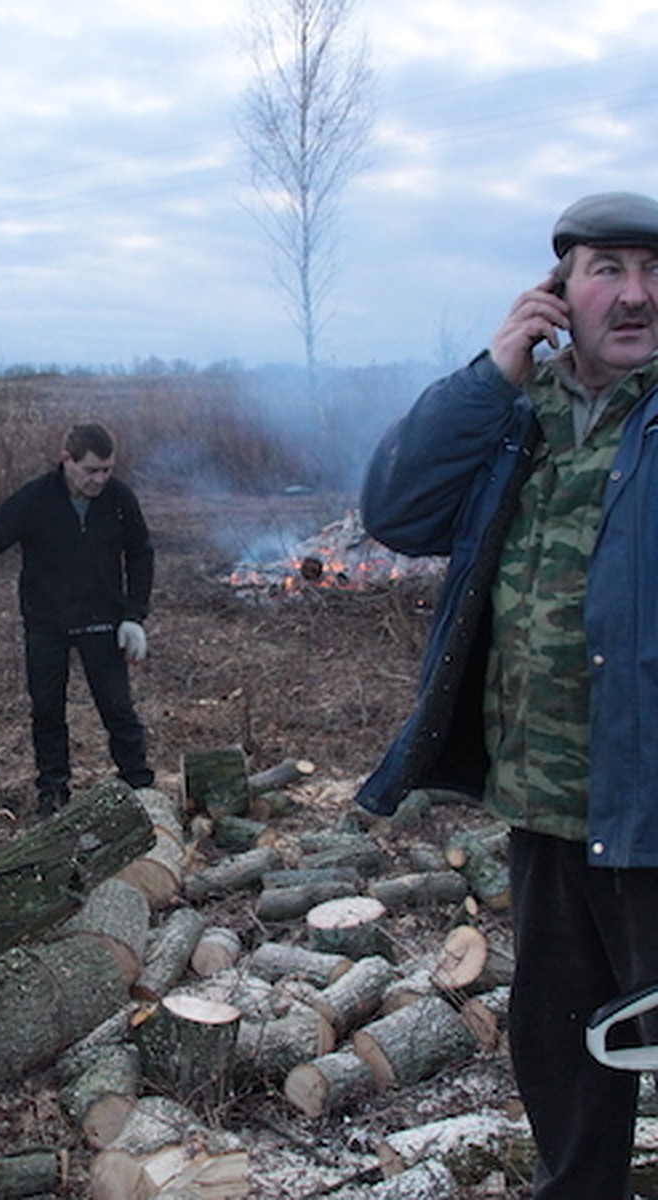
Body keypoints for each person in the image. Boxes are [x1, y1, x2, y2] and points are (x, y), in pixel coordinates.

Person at [356, 191, 658, 1198]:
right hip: (544, 805)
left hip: (652, 804)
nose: (636, 294)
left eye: (654, 272)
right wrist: (492, 373)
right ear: (557, 295)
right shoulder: (515, 421)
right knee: (561, 1048)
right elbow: (395, 509)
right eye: (608, 269)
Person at [0, 421, 155, 816]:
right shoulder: (34, 499)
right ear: (66, 460)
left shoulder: (120, 500)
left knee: (118, 709)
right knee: (47, 710)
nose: (99, 479)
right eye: (91, 470)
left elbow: (141, 554)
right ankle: (53, 794)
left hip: (102, 619)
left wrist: (134, 617)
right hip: (46, 620)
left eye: (106, 470)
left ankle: (140, 789)